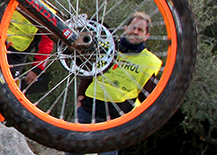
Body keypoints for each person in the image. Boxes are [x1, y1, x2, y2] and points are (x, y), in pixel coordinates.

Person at [67, 11, 162, 155]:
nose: (135, 31)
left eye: (140, 30)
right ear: (126, 28)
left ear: (146, 36)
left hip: (115, 120)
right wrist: (80, 96)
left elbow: (147, 97)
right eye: (133, 27)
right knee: (73, 151)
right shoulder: (107, 47)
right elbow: (89, 71)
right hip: (88, 109)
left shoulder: (150, 62)